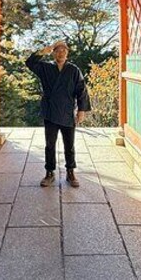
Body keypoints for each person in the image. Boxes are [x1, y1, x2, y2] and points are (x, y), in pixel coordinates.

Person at [26, 41, 91, 188]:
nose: (60, 53)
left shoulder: (73, 70)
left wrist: (81, 110)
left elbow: (81, 90)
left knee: (69, 145)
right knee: (50, 144)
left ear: (67, 53)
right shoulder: (46, 68)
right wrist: (43, 51)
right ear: (53, 53)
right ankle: (49, 173)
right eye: (57, 50)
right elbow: (29, 63)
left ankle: (70, 172)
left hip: (67, 111)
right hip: (50, 111)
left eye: (63, 50)